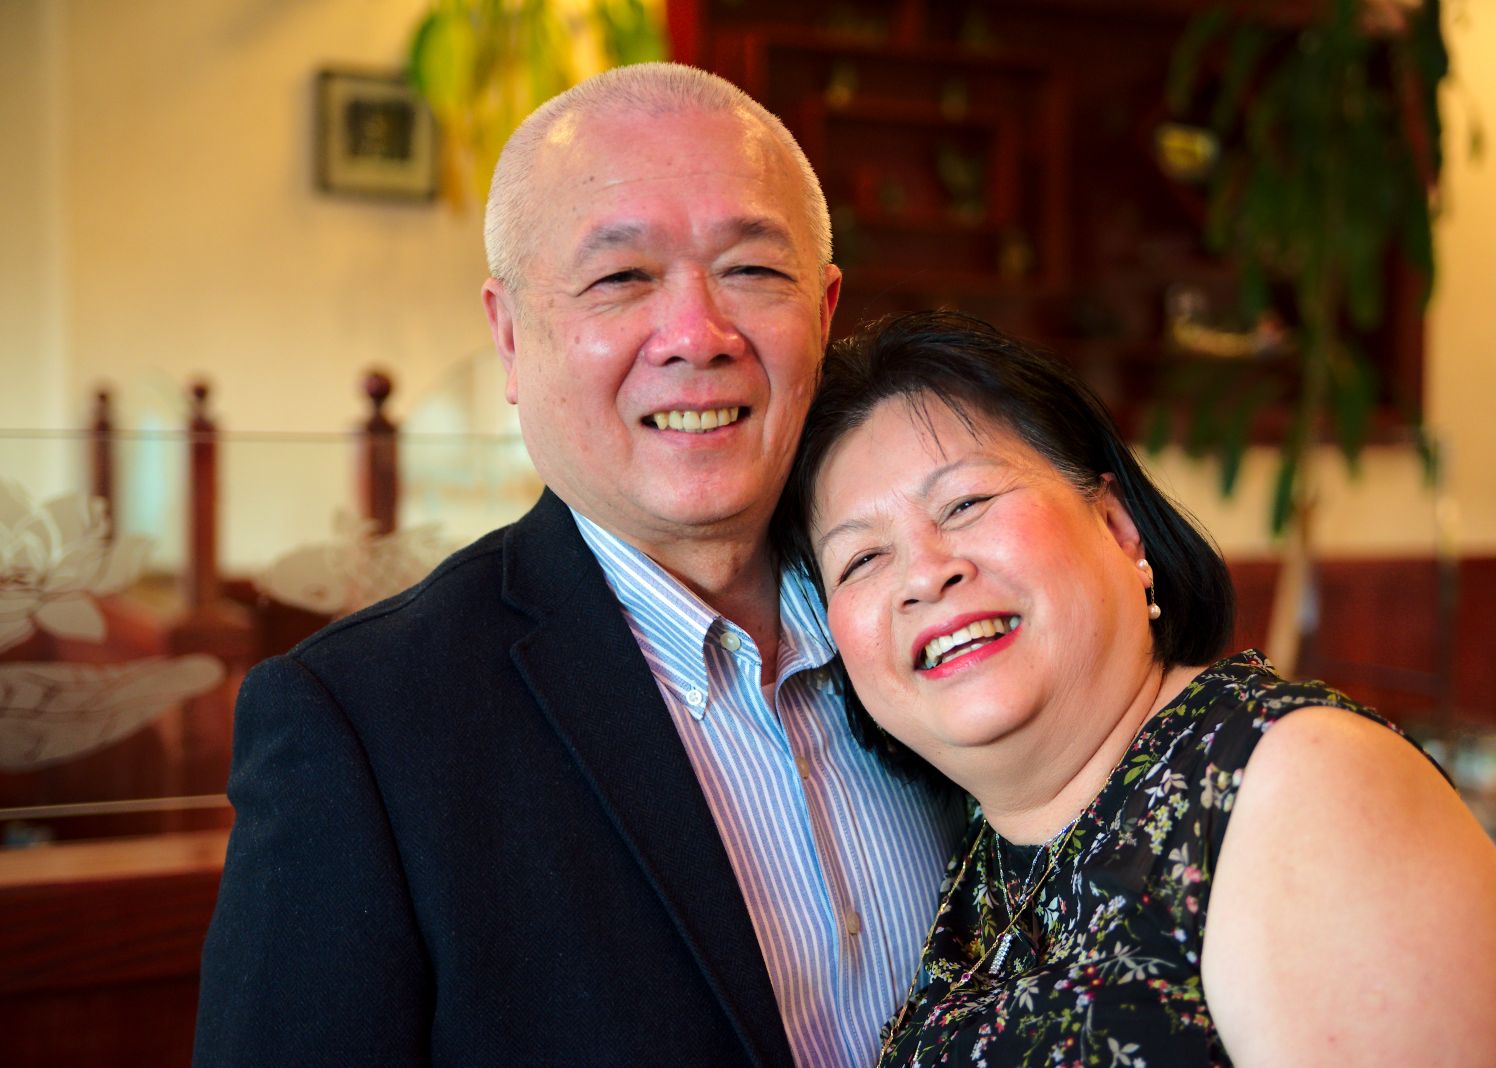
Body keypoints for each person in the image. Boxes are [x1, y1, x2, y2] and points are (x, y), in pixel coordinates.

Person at [194, 65, 963, 1066]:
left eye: (751, 270)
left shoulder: (943, 609)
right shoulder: (363, 725)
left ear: (823, 315)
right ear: (511, 336)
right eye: (621, 278)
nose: (697, 337)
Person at [776, 311, 1496, 1067]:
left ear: (1116, 524)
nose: (924, 574)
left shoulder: (1304, 784)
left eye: (966, 504)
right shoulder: (979, 858)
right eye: (861, 559)